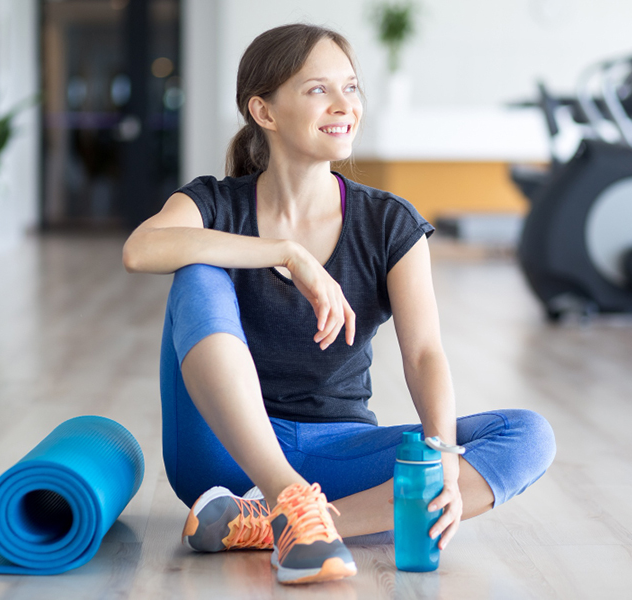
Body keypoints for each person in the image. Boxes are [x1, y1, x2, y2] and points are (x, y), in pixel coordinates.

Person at [123, 23, 556, 585]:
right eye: (318, 89)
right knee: (197, 272)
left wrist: (443, 456)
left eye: (351, 88)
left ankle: (290, 522)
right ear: (265, 111)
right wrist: (286, 254)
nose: (344, 105)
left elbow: (424, 354)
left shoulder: (389, 221)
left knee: (528, 434)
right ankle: (284, 496)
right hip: (224, 453)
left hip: (338, 449)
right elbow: (141, 249)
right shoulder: (214, 202)